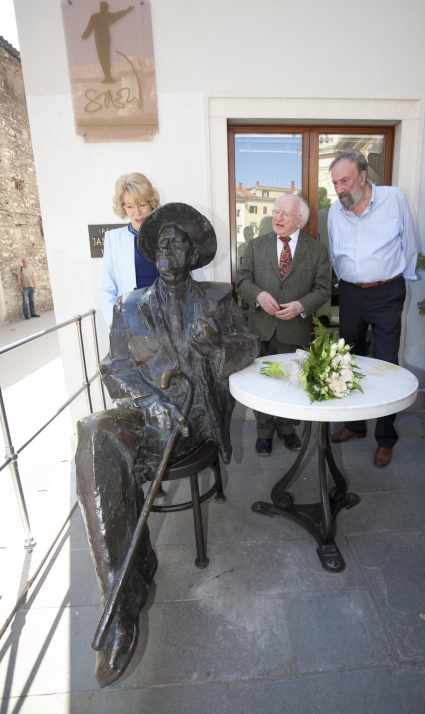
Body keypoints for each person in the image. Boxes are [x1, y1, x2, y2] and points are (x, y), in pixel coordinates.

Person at [75, 203, 259, 687]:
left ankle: (132, 581)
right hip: (149, 416)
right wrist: (150, 401)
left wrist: (216, 346)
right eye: (161, 242)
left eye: (178, 242)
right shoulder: (130, 305)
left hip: (197, 420)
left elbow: (250, 346)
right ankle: (120, 604)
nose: (168, 249)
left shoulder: (217, 297)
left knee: (108, 454)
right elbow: (115, 367)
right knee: (94, 433)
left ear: (194, 253)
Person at [327, 151, 418, 467]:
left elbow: (410, 243)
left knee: (385, 364)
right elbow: (333, 251)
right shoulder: (335, 210)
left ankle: (385, 437)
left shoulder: (394, 199)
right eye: (335, 182)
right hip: (350, 293)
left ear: (364, 176)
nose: (340, 189)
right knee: (347, 359)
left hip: (386, 293)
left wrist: (403, 281)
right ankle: (355, 426)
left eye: (345, 180)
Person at [236, 193, 331, 456]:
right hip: (261, 329)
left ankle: (287, 429)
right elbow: (241, 280)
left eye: (284, 214)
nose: (277, 217)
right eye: (275, 211)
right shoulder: (255, 246)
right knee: (263, 381)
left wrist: (301, 306)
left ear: (300, 220)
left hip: (295, 330)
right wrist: (258, 296)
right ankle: (264, 433)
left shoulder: (317, 250)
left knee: (291, 381)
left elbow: (323, 289)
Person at [102, 172, 160, 325]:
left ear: (151, 203)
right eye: (130, 206)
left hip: (162, 319)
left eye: (142, 205)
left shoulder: (165, 236)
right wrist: (115, 324)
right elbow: (107, 289)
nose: (137, 213)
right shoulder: (113, 239)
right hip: (129, 321)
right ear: (123, 207)